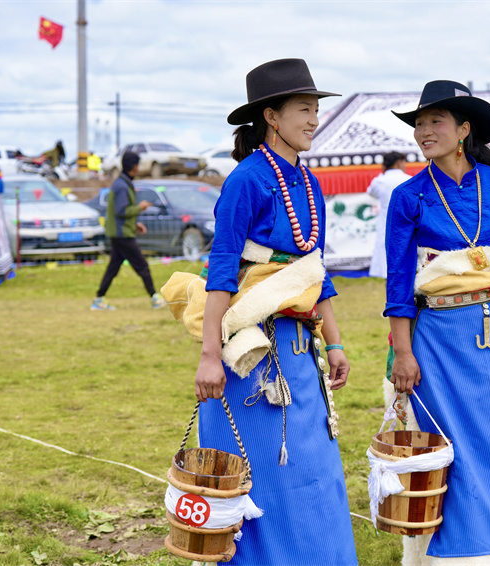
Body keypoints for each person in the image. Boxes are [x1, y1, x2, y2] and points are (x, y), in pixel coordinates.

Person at [193, 58, 357, 565]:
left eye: (315, 110)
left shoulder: (309, 185)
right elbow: (221, 268)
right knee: (263, 474)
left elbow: (315, 270)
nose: (313, 120)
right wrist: (208, 354)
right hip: (250, 352)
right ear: (271, 115)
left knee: (313, 469)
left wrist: (334, 342)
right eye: (304, 110)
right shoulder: (245, 180)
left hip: (299, 351)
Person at [385, 80, 490, 565]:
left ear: (464, 129)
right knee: (448, 441)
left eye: (435, 121)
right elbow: (397, 281)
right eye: (418, 123)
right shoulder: (408, 195)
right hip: (437, 337)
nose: (423, 131)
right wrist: (404, 351)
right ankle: (452, 555)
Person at [91, 151, 165, 310]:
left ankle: (98, 299)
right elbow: (121, 211)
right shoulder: (122, 186)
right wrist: (140, 207)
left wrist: (135, 223)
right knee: (142, 265)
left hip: (119, 232)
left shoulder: (121, 183)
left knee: (113, 268)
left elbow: (121, 212)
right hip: (122, 234)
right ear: (134, 166)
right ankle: (154, 297)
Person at [366, 151, 410, 278]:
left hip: (386, 221)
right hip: (405, 222)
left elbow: (371, 192)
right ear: (399, 163)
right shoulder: (408, 179)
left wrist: (383, 172)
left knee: (385, 258)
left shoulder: (379, 181)